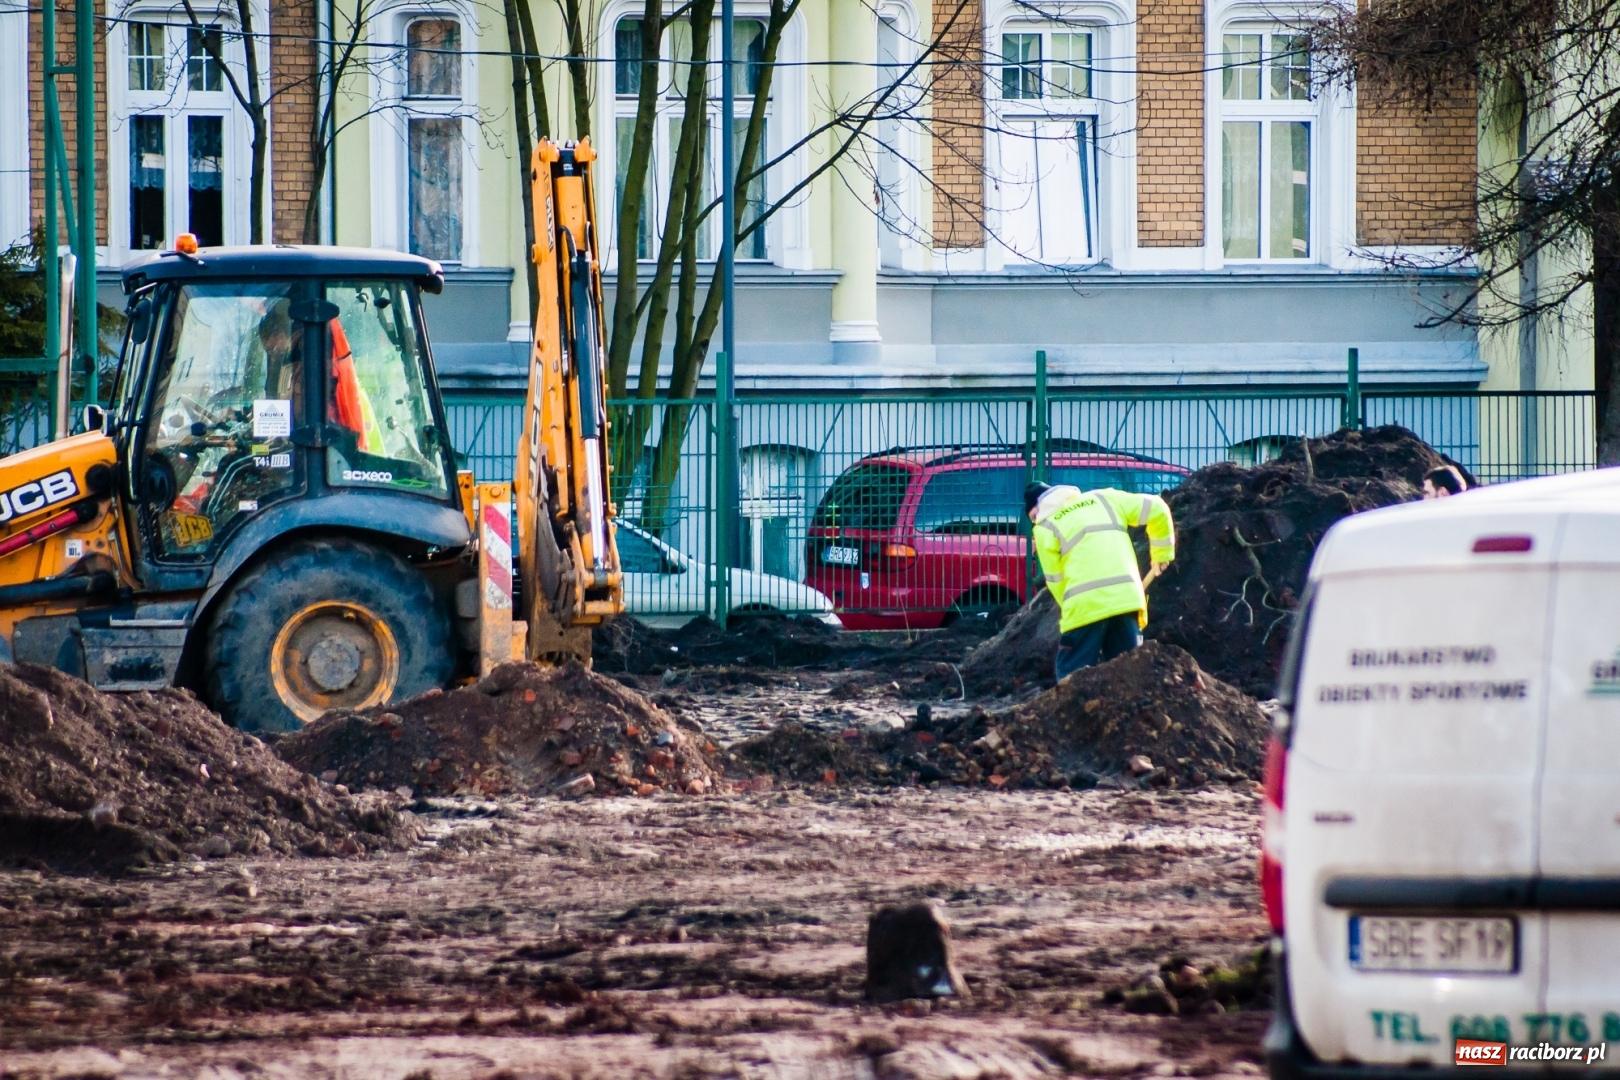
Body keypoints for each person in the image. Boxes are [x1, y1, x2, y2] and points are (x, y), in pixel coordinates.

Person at [1027, 480, 1175, 683]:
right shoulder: (1106, 498)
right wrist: (1162, 553)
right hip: (1126, 601)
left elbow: (1055, 581)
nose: (1034, 522)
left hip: (1084, 608)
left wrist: (1070, 609)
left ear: (1039, 507)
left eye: (1033, 517)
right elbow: (1157, 507)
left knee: (1071, 680)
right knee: (1130, 676)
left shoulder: (1045, 528)